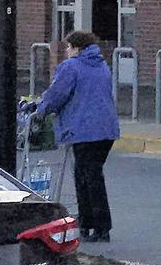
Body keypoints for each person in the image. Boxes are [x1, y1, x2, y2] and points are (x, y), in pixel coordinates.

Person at [35, 29, 121, 243]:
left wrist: (40, 109)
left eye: (68, 47)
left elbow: (57, 94)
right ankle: (90, 222)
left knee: (87, 178)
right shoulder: (101, 65)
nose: (66, 51)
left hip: (83, 130)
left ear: (76, 48)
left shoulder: (70, 67)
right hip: (105, 130)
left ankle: (98, 226)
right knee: (90, 175)